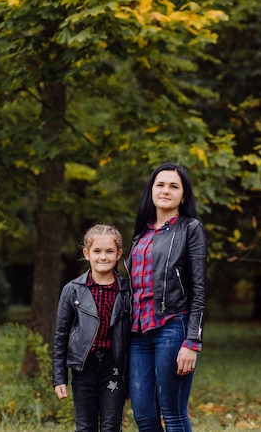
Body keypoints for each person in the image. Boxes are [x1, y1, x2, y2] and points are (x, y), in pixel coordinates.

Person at [125, 162, 207, 432]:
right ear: (151, 190)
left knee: (172, 413)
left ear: (183, 196)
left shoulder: (190, 229)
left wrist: (192, 342)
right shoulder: (141, 235)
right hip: (138, 333)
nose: (166, 190)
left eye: (174, 186)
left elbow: (198, 290)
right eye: (160, 184)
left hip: (172, 327)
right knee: (145, 418)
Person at [52, 223, 131, 432]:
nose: (103, 257)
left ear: (119, 254)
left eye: (109, 251)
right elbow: (61, 335)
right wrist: (59, 377)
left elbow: (132, 336)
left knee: (111, 426)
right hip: (83, 367)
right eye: (97, 251)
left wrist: (131, 375)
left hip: (114, 367)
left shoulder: (127, 291)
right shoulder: (72, 290)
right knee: (85, 426)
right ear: (86, 253)